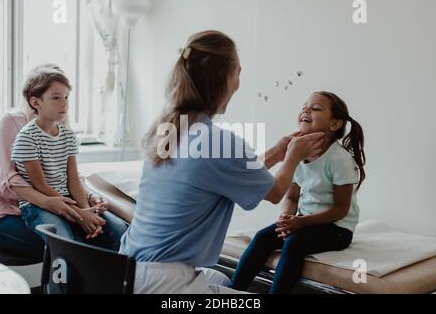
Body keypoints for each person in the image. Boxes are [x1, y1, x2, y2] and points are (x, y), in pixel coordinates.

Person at [118, 30, 324, 294]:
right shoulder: (218, 142)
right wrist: (294, 156)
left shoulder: (169, 127)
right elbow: (274, 193)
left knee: (221, 280)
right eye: (237, 73)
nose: (238, 83)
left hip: (129, 270)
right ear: (221, 79)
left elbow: (229, 171)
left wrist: (278, 151)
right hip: (165, 284)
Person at [230, 91, 366, 294]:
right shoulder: (298, 154)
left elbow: (340, 210)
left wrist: (299, 222)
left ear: (335, 124)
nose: (306, 110)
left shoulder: (340, 160)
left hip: (336, 229)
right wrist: (286, 218)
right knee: (262, 237)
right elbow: (291, 196)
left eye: (315, 108)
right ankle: (232, 291)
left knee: (294, 244)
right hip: (303, 222)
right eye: (304, 106)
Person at [0, 64, 116, 257]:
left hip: (54, 205)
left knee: (111, 234)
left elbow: (68, 177)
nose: (62, 102)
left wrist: (89, 198)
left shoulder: (60, 127)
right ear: (37, 100)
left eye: (65, 96)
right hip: (3, 213)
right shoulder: (11, 122)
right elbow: (11, 181)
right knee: (76, 247)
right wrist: (75, 211)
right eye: (55, 97)